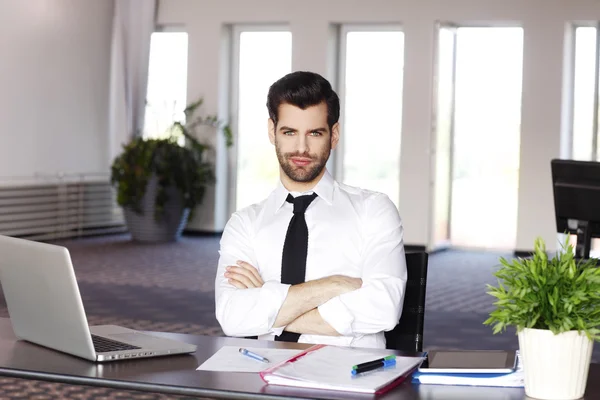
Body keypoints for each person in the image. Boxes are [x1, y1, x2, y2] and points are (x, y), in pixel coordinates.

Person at [214, 71, 407, 348]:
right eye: (289, 132)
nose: (301, 148)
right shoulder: (244, 224)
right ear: (272, 132)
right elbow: (232, 317)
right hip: (264, 375)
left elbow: (383, 308)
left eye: (315, 133)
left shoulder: (373, 211)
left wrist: (267, 303)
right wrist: (332, 286)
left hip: (347, 378)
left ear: (334, 134)